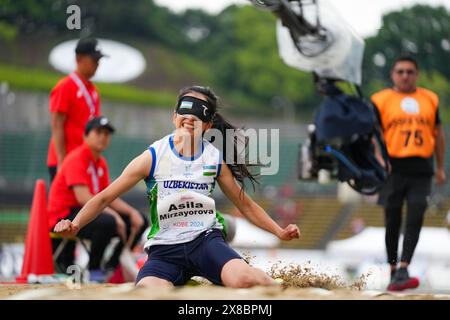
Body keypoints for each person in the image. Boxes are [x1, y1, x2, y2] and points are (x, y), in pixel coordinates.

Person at [54, 86, 300, 288]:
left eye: (199, 112)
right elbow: (105, 197)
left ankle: (276, 284)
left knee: (244, 280)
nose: (191, 117)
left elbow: (245, 205)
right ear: (174, 116)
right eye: (185, 109)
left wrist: (279, 231)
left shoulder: (214, 159)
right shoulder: (152, 157)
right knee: (147, 293)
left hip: (205, 241)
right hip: (165, 250)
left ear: (208, 125)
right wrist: (76, 225)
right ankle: (185, 279)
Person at [371, 56, 446, 291]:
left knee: (416, 214)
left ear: (417, 74)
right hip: (392, 167)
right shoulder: (380, 100)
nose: (405, 76)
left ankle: (404, 267)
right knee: (392, 218)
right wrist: (380, 159)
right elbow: (373, 135)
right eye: (400, 71)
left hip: (421, 167)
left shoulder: (430, 99)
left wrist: (440, 167)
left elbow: (438, 134)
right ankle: (393, 270)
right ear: (393, 74)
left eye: (410, 71)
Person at [48, 116, 148, 281]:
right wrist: (115, 216)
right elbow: (83, 198)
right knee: (108, 222)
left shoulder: (100, 162)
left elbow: (107, 196)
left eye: (107, 134)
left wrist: (130, 212)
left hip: (86, 210)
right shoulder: (76, 158)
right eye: (99, 132)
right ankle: (94, 270)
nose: (103, 137)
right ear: (86, 136)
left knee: (139, 220)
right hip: (65, 215)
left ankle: (112, 266)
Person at [47, 38, 107, 183]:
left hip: (84, 160)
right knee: (68, 204)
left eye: (98, 60)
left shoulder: (94, 91)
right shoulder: (65, 86)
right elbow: (57, 125)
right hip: (66, 159)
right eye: (94, 60)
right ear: (79, 58)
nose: (97, 64)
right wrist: (62, 159)